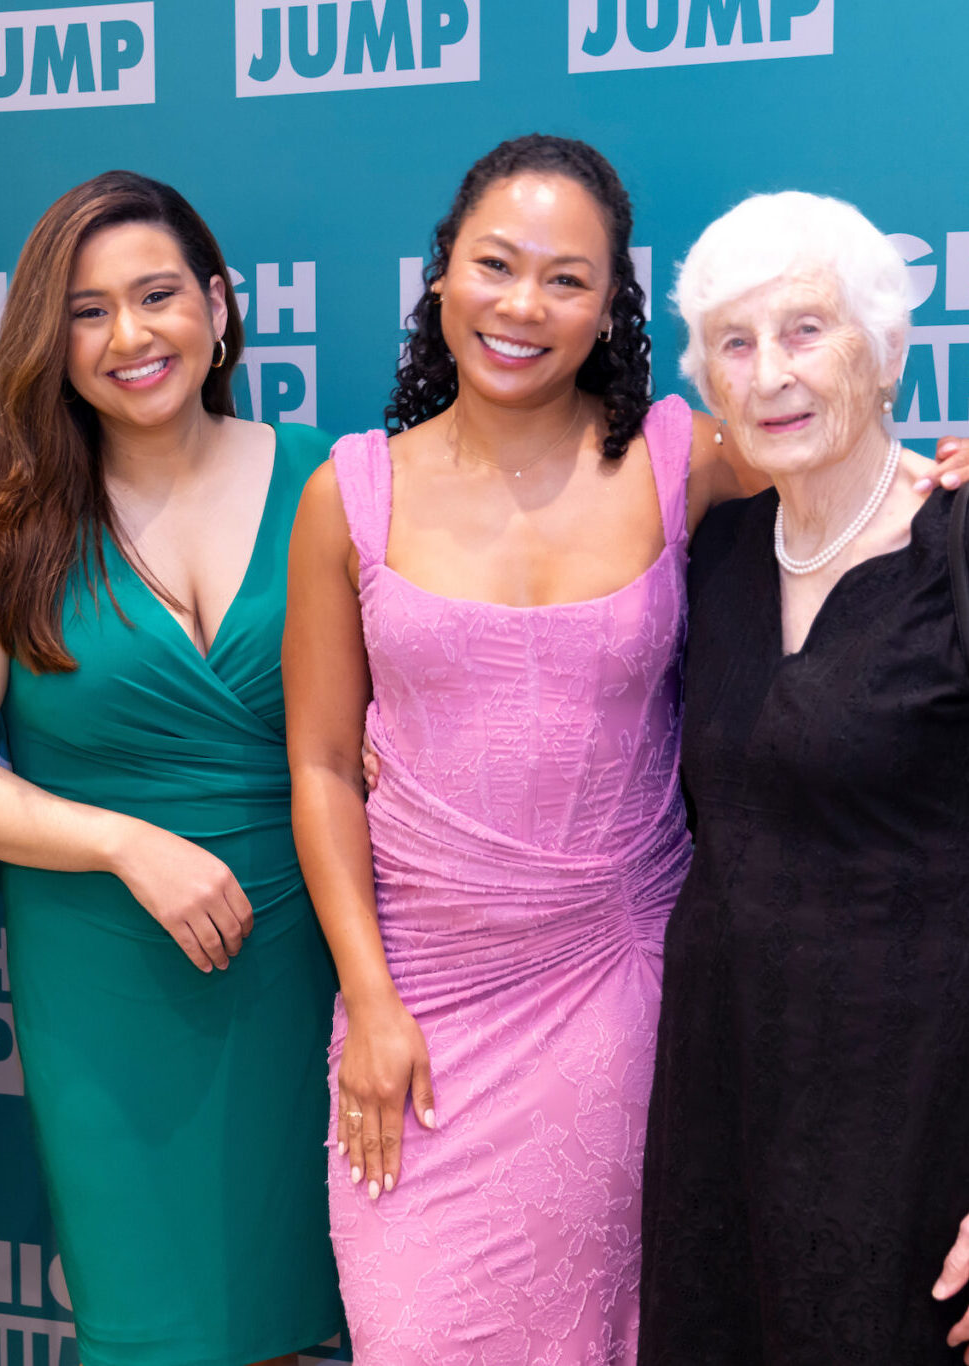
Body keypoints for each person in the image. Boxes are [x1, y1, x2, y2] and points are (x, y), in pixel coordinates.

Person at [284, 136, 969, 1364]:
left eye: (568, 279)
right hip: (424, 1007)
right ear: (440, 276)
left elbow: (851, 467)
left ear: (610, 309)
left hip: (635, 1003)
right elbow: (325, 763)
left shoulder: (684, 459)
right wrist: (372, 1003)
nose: (522, 305)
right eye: (495, 265)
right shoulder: (350, 493)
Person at [0, 170, 343, 1366]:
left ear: (219, 306)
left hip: (319, 966)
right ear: (50, 338)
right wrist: (121, 841)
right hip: (106, 973)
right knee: (156, 1326)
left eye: (157, 296)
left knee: (311, 1307)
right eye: (88, 311)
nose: (131, 336)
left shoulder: (336, 484)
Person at [638, 191, 969, 1365]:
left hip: (918, 1135)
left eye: (805, 331)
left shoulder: (955, 544)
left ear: (885, 353)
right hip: (723, 1115)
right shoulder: (715, 556)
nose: (769, 372)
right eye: (735, 342)